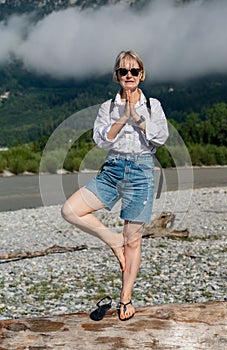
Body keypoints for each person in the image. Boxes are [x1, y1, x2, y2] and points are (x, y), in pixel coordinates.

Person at [61, 50, 169, 321]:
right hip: (112, 169)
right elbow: (102, 141)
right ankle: (112, 240)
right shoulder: (107, 108)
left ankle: (125, 299)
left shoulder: (153, 105)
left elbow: (161, 138)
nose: (129, 75)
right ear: (116, 76)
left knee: (133, 241)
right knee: (70, 210)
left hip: (142, 170)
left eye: (134, 71)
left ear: (141, 74)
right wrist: (123, 118)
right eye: (123, 71)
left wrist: (138, 119)